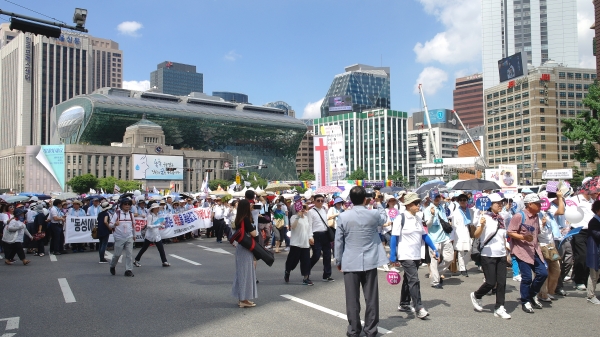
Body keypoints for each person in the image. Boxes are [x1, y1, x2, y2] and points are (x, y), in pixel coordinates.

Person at [335, 186, 388, 337]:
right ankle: (370, 329)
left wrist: (338, 260)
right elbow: (384, 218)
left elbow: (338, 241)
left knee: (352, 299)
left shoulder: (343, 216)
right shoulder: (373, 214)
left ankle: (354, 329)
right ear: (366, 199)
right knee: (371, 297)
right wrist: (378, 202)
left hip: (350, 261)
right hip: (370, 260)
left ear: (350, 200)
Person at [389, 192, 440, 320]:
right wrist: (392, 256)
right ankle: (419, 307)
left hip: (417, 254)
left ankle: (404, 303)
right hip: (405, 255)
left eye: (419, 203)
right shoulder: (400, 218)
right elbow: (394, 238)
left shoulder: (418, 218)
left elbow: (424, 236)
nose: (419, 205)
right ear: (409, 205)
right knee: (414, 280)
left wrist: (434, 248)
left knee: (408, 279)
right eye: (416, 203)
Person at [470, 193, 511, 319]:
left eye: (501, 203)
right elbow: (476, 235)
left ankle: (500, 307)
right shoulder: (484, 217)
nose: (501, 205)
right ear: (490, 205)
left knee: (502, 282)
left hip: (501, 254)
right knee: (490, 282)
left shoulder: (501, 218)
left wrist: (507, 251)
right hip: (488, 254)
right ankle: (476, 295)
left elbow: (503, 236)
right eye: (498, 203)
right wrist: (481, 225)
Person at [507, 193, 548, 313]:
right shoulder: (519, 216)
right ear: (530, 204)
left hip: (534, 250)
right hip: (521, 251)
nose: (540, 206)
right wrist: (523, 237)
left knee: (543, 273)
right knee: (527, 278)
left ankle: (531, 294)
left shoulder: (536, 216)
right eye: (538, 204)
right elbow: (510, 232)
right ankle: (525, 301)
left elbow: (537, 232)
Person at [423, 191, 453, 289]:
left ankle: (436, 273)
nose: (437, 198)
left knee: (450, 258)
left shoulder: (442, 207)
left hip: (445, 237)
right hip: (434, 239)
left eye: (438, 196)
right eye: (434, 197)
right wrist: (432, 215)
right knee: (434, 261)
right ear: (430, 198)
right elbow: (428, 224)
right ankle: (435, 281)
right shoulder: (427, 209)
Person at [569, 188, 597, 291]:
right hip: (578, 230)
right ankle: (579, 280)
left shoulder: (593, 200)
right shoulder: (575, 199)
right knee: (582, 255)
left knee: (591, 255)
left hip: (591, 230)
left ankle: (585, 279)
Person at [231, 199, 258, 308]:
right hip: (245, 248)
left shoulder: (239, 218)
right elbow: (254, 233)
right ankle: (243, 299)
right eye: (250, 205)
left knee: (243, 273)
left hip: (241, 247)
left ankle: (243, 298)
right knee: (245, 273)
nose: (252, 206)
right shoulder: (246, 219)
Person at [284, 204, 314, 285]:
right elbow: (293, 227)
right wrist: (298, 216)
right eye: (301, 208)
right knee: (292, 261)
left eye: (304, 208)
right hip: (296, 243)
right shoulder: (293, 217)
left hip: (305, 243)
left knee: (306, 261)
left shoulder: (307, 218)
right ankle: (287, 271)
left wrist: (310, 237)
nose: (303, 210)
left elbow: (309, 229)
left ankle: (306, 278)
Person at [308, 194, 334, 282]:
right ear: (314, 201)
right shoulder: (311, 212)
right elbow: (309, 226)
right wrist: (310, 237)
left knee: (327, 255)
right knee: (316, 255)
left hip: (325, 234)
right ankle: (306, 271)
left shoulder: (323, 210)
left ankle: (327, 275)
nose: (320, 202)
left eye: (322, 200)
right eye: (318, 200)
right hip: (316, 234)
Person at [134, 203, 170, 267]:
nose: (157, 209)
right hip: (150, 235)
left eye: (158, 208)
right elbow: (148, 226)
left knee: (161, 248)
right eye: (156, 208)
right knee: (144, 248)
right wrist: (157, 225)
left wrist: (161, 226)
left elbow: (158, 223)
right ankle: (136, 260)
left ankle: (164, 261)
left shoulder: (157, 216)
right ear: (153, 209)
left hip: (156, 235)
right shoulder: (150, 216)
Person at [109, 198, 136, 277]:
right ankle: (112, 265)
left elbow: (133, 226)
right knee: (117, 254)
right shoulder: (117, 214)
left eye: (129, 204)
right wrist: (115, 225)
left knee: (129, 254)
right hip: (119, 237)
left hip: (129, 237)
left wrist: (134, 235)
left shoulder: (131, 214)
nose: (127, 206)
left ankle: (128, 270)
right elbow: (110, 225)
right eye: (125, 204)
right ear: (122, 205)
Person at [450, 192, 473, 277]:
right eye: (461, 200)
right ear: (458, 201)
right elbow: (453, 225)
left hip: (468, 232)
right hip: (459, 233)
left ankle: (463, 265)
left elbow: (474, 221)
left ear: (467, 201)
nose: (463, 201)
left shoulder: (470, 211)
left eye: (464, 200)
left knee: (470, 250)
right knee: (461, 251)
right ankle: (463, 268)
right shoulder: (456, 212)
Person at [585, 200, 600, 304]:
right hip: (595, 251)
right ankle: (590, 295)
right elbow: (597, 235)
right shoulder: (593, 221)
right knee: (593, 275)